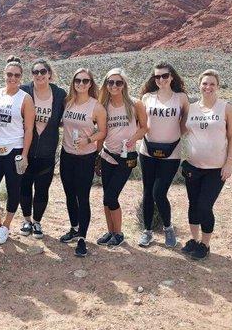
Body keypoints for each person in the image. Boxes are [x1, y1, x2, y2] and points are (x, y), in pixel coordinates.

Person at [180, 69, 232, 260]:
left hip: (215, 169)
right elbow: (184, 134)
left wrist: (228, 163)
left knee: (205, 206)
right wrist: (184, 157)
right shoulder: (191, 108)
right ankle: (194, 240)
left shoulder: (225, 108)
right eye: (205, 83)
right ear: (199, 86)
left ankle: (205, 244)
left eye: (212, 84)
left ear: (218, 86)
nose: (208, 87)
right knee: (193, 204)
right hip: (192, 166)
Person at [0, 56, 35, 245]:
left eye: (17, 75)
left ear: (21, 77)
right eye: (9, 74)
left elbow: (29, 129)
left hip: (14, 150)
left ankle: (6, 226)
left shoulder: (25, 98)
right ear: (4, 74)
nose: (13, 78)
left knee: (14, 190)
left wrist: (25, 154)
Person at [137, 63, 189, 248]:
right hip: (147, 151)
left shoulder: (181, 98)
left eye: (164, 76)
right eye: (157, 77)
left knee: (159, 192)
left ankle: (168, 228)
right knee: (147, 192)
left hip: (171, 153)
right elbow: (141, 123)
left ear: (172, 77)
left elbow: (185, 124)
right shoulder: (147, 97)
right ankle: (147, 231)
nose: (161, 80)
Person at [95, 68, 147, 247]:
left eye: (118, 82)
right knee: (105, 198)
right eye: (110, 82)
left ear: (124, 84)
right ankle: (111, 233)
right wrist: (97, 157)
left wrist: (133, 139)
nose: (114, 86)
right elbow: (101, 133)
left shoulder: (135, 104)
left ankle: (119, 233)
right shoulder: (103, 106)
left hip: (127, 157)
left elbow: (144, 127)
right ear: (106, 85)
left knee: (111, 196)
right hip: (108, 154)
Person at [59, 68, 107, 257]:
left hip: (85, 157)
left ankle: (82, 239)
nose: (81, 84)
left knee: (82, 197)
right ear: (73, 82)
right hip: (67, 154)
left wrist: (89, 140)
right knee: (69, 194)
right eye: (77, 80)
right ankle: (74, 228)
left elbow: (103, 131)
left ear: (90, 83)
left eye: (85, 81)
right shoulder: (68, 103)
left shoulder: (96, 107)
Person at [18, 59, 66, 239]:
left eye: (43, 71)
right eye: (36, 72)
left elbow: (71, 113)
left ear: (49, 73)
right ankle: (26, 220)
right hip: (24, 150)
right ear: (32, 75)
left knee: (42, 189)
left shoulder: (59, 94)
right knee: (24, 186)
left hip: (47, 152)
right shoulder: (24, 91)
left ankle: (37, 222)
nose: (39, 75)